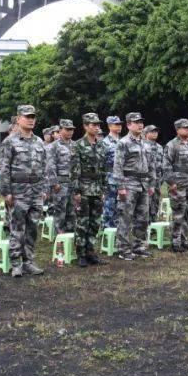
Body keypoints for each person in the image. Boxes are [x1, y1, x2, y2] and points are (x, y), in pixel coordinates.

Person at [0, 105, 53, 277]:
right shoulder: (10, 141)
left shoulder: (39, 142)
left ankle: (29, 261)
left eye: (33, 117)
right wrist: (6, 192)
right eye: (27, 116)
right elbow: (2, 168)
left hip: (36, 191)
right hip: (18, 191)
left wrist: (44, 188)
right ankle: (16, 263)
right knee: (16, 228)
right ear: (19, 119)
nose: (30, 119)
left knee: (32, 228)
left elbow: (44, 167)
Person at [113, 112, 153, 260]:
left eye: (141, 121)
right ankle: (123, 249)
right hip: (129, 184)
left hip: (143, 184)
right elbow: (117, 166)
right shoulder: (123, 143)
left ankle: (139, 246)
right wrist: (121, 187)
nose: (140, 124)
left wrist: (151, 184)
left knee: (143, 217)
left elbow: (150, 164)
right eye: (136, 122)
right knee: (126, 217)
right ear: (129, 124)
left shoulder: (145, 142)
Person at [71, 113, 109, 267]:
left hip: (97, 189)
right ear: (85, 126)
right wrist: (77, 192)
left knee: (95, 222)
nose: (96, 127)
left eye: (98, 125)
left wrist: (104, 190)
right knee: (82, 222)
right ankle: (81, 254)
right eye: (93, 125)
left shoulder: (101, 145)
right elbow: (74, 170)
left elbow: (104, 170)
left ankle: (91, 252)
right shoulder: (78, 145)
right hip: (84, 189)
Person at [164, 119, 188, 252]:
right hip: (178, 185)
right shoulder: (172, 145)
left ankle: (184, 240)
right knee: (178, 213)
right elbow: (166, 166)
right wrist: (171, 183)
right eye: (185, 128)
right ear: (178, 130)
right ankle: (175, 243)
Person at [47, 119, 78, 234]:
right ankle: (60, 238)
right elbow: (50, 166)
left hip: (72, 184)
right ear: (60, 130)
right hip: (60, 184)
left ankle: (70, 236)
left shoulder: (75, 145)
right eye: (67, 129)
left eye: (72, 130)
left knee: (72, 211)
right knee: (60, 211)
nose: (70, 132)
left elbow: (77, 165)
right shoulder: (54, 146)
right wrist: (54, 183)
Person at [101, 116, 123, 228]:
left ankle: (117, 231)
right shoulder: (104, 143)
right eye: (116, 124)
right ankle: (107, 231)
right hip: (110, 178)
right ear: (109, 126)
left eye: (120, 124)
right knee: (109, 206)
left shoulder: (123, 141)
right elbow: (101, 164)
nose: (119, 126)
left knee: (121, 207)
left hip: (122, 179)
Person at [143, 125, 166, 226]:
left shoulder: (160, 147)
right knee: (144, 204)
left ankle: (152, 225)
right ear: (146, 133)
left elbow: (162, 164)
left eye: (156, 131)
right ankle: (143, 226)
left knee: (155, 203)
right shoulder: (142, 145)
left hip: (157, 180)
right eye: (152, 131)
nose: (155, 133)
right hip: (145, 180)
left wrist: (161, 179)